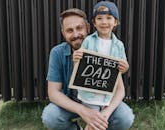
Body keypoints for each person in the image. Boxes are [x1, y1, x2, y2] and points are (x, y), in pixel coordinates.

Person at [41, 7, 132, 130]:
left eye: (79, 28)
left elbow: (120, 90)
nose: (75, 34)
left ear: (88, 28)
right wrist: (84, 111)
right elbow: (53, 93)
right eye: (69, 30)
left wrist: (106, 113)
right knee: (50, 116)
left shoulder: (104, 49)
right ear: (63, 33)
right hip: (72, 102)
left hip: (102, 102)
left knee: (125, 117)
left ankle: (101, 126)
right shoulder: (57, 52)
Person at [73, 1, 134, 130]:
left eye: (108, 18)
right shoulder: (88, 41)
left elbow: (120, 69)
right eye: (99, 18)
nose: (104, 22)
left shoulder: (119, 45)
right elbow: (80, 66)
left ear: (115, 22)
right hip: (89, 95)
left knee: (99, 123)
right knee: (94, 124)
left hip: (107, 94)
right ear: (94, 23)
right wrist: (76, 58)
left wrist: (125, 68)